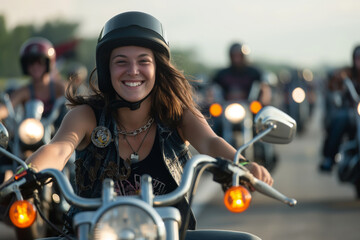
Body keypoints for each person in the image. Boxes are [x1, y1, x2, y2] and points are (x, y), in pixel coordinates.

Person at [22, 11, 272, 239]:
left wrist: (243, 164)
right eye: (121, 61)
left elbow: (210, 141)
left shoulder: (178, 114)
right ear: (108, 70)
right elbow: (58, 148)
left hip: (167, 232)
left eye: (144, 61)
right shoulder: (86, 115)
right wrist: (25, 174)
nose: (133, 71)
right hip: (90, 232)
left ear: (157, 68)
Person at [0, 37, 66, 121]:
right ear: (25, 65)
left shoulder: (59, 87)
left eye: (40, 61)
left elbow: (72, 105)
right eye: (31, 62)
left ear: (48, 63)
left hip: (58, 131)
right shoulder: (25, 91)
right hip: (29, 131)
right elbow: (6, 109)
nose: (35, 66)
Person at [319, 45, 360, 171]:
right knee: (340, 119)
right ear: (353, 59)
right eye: (358, 58)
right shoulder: (347, 73)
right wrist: (338, 77)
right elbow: (333, 82)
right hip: (352, 111)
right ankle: (329, 158)